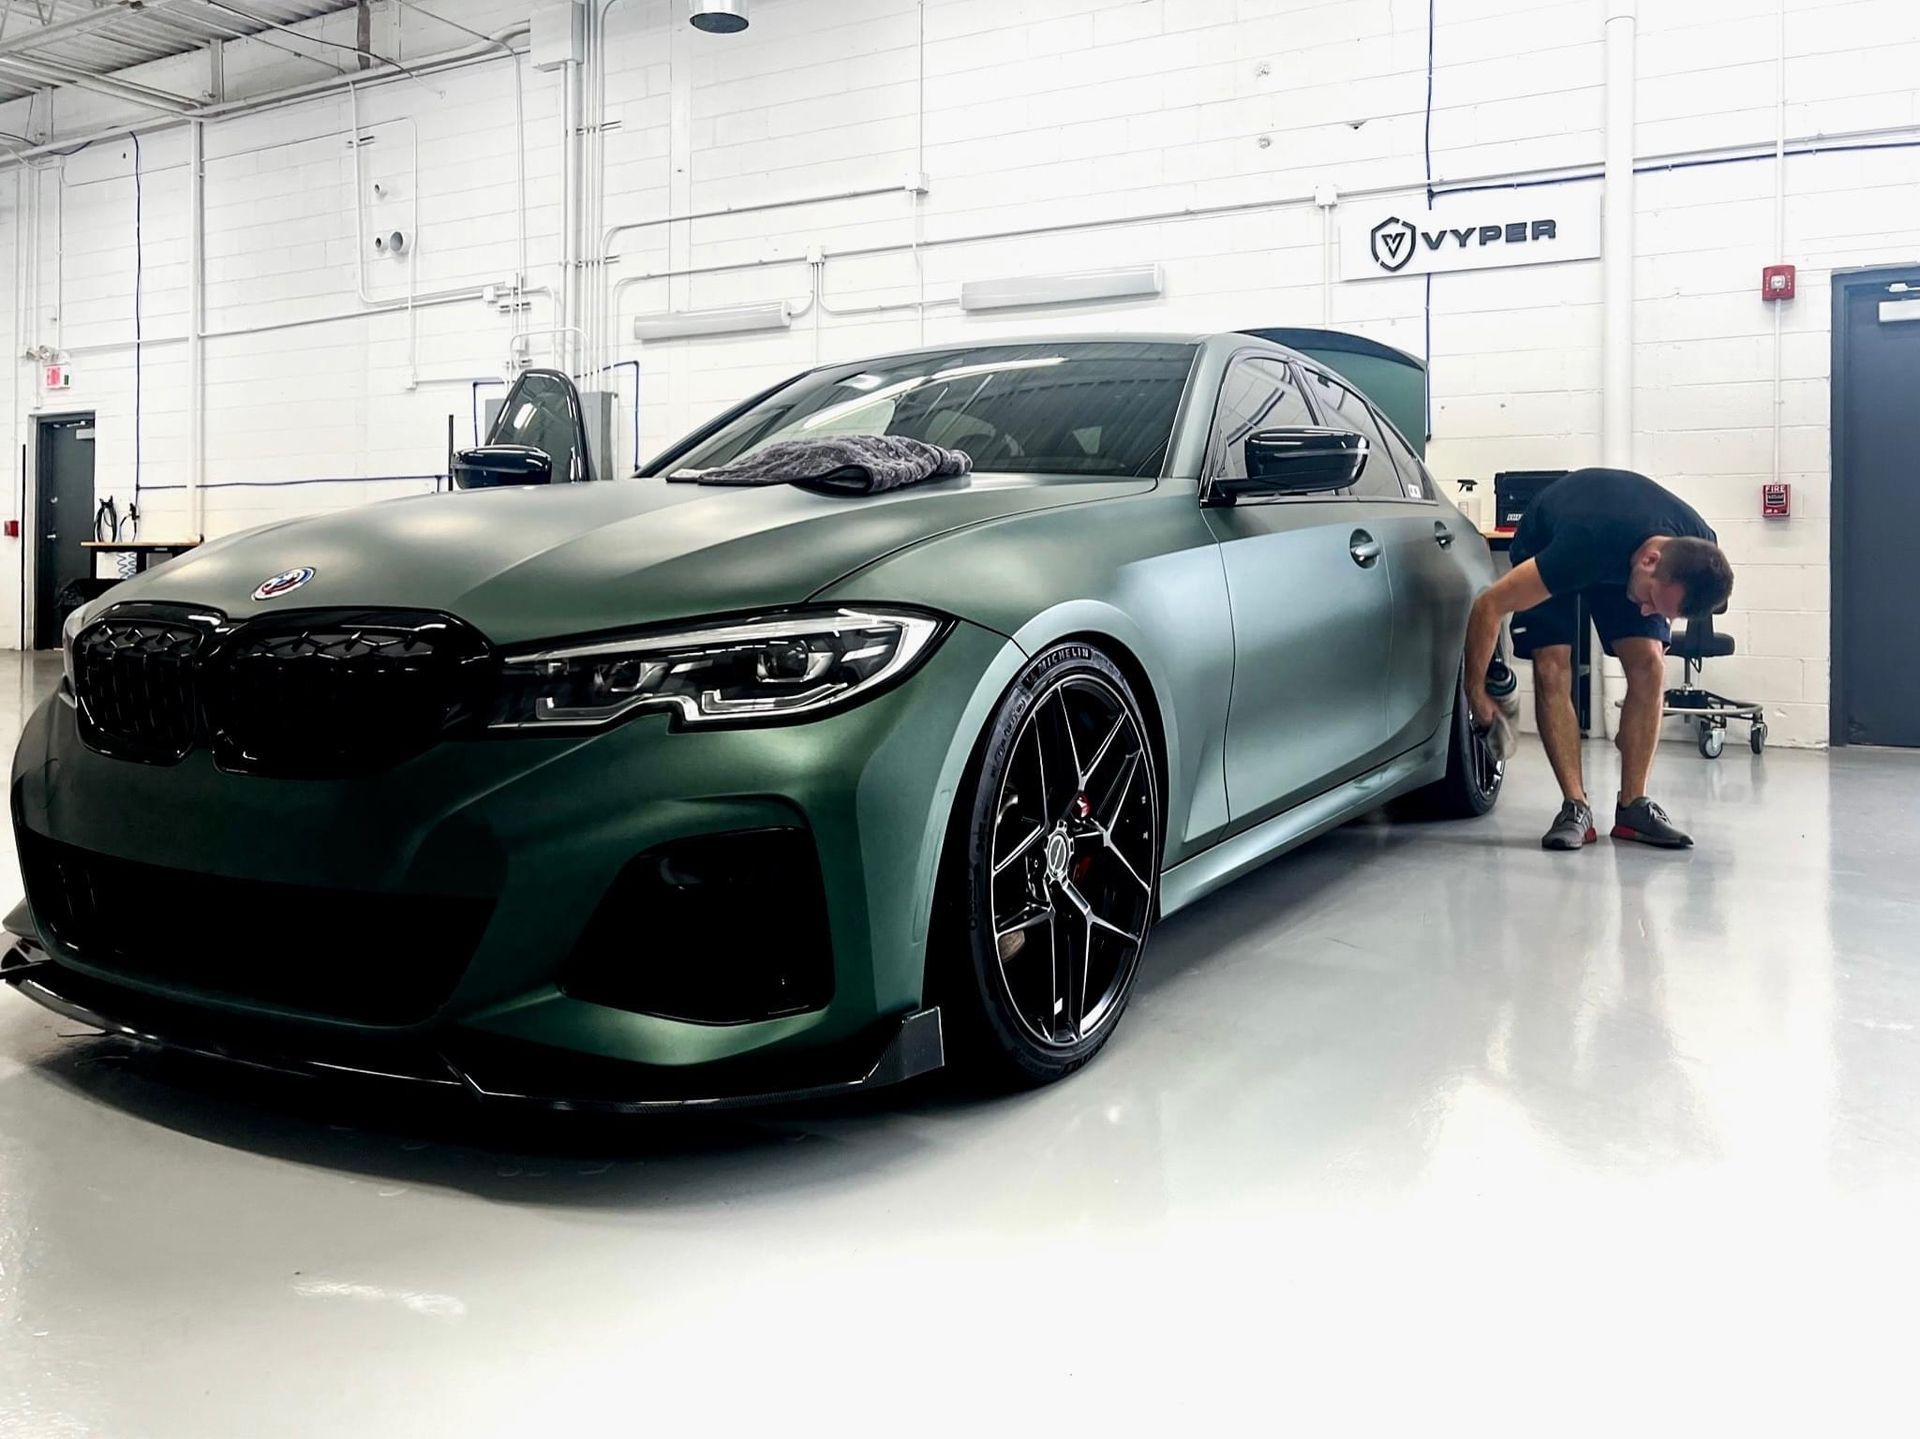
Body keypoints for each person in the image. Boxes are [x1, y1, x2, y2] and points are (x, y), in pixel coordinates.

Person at [1463, 467, 1735, 852]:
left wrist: (1639, 717)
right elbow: (1488, 606)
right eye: (1654, 602)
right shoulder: (1580, 546)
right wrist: (1478, 698)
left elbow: (1690, 611)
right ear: (1650, 561)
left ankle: (1633, 809)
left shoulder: (1699, 544)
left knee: (1651, 665)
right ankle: (1576, 807)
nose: (1648, 612)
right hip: (1552, 538)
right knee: (1552, 665)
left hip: (1617, 551)